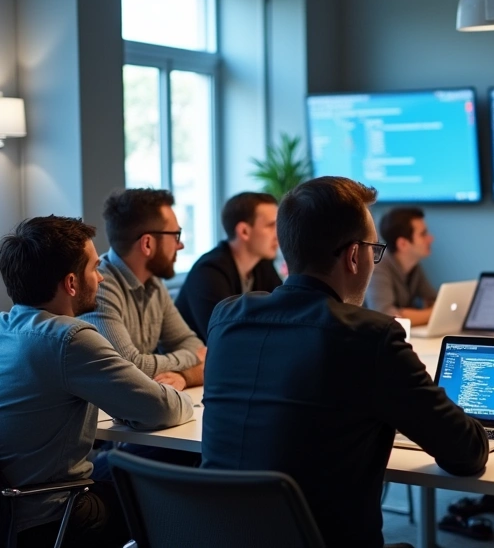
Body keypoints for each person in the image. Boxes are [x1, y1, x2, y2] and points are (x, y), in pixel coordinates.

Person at [200, 177, 489, 548]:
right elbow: (465, 454)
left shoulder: (227, 318)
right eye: (374, 249)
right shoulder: (370, 336)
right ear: (354, 256)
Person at [0, 216, 193, 548]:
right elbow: (166, 408)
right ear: (72, 283)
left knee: (132, 455)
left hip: (11, 510)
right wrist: (164, 393)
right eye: (94, 268)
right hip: (53, 515)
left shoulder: (7, 328)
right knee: (178, 477)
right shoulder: (68, 339)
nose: (101, 277)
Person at [79, 188, 206, 390]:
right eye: (175, 235)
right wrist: (191, 358)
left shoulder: (154, 283)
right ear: (147, 243)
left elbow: (189, 341)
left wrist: (182, 374)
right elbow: (127, 367)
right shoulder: (100, 286)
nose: (180, 245)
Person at [175, 192, 283, 342]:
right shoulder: (208, 272)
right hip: (198, 362)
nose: (278, 234)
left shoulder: (262, 264)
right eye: (271, 226)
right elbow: (224, 338)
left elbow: (284, 314)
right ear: (244, 231)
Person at [366, 206, 437, 325]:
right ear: (403, 244)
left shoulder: (414, 266)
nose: (430, 239)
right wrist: (433, 313)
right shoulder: (378, 267)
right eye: (423, 234)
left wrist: (430, 310)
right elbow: (386, 316)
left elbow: (433, 300)